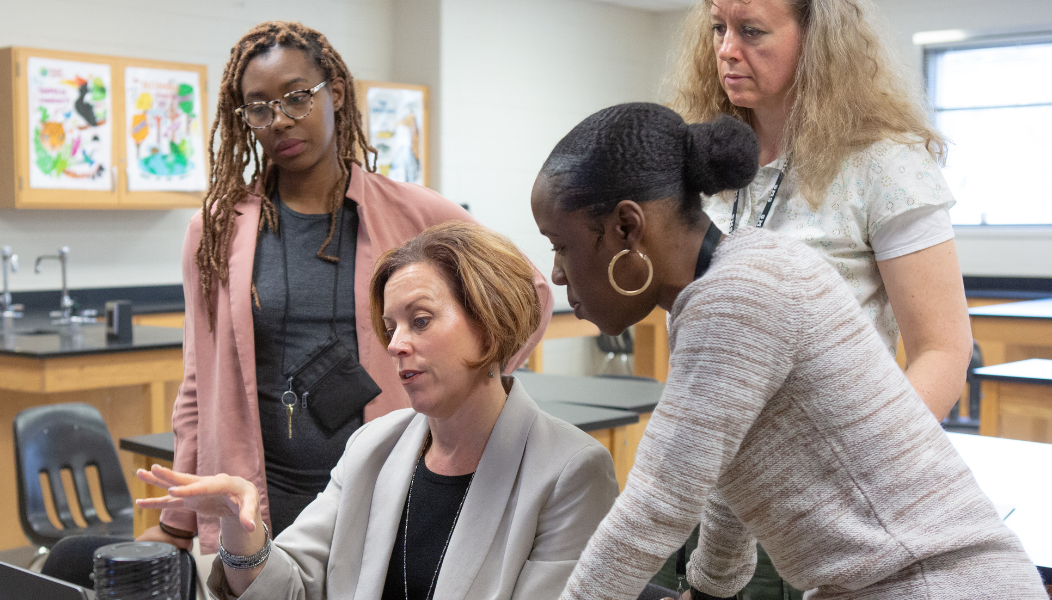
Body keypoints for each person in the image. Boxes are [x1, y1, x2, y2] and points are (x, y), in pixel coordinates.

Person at [531, 103, 1046, 600]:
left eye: (560, 245)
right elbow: (726, 466)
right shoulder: (741, 272)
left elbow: (656, 504)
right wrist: (711, 591)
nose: (556, 272)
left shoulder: (735, 296)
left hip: (933, 586)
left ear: (627, 226)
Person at [138, 21, 553, 552]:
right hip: (261, 503)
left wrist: (471, 382)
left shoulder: (414, 213)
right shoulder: (216, 228)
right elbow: (198, 385)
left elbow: (532, 290)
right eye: (259, 108)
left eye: (297, 98)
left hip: (389, 488)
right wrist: (178, 519)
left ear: (334, 92)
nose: (281, 120)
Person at [136, 221, 620, 599]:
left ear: (489, 324)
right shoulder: (374, 446)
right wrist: (242, 537)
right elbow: (290, 589)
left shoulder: (571, 472)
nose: (396, 345)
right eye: (390, 327)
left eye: (421, 321)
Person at [674, 0, 971, 419]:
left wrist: (877, 458)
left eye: (752, 31)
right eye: (719, 28)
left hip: (842, 468)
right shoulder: (700, 160)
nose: (726, 50)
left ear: (815, 38)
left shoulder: (887, 162)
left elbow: (942, 351)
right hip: (718, 464)